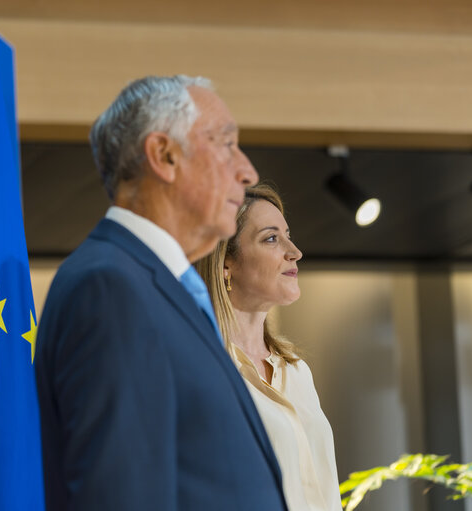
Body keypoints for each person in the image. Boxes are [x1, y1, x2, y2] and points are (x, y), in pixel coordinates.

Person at [35, 75, 289, 510]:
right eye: (226, 144)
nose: (247, 171)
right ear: (164, 156)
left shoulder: (158, 289)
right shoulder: (111, 290)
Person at [195, 182, 343, 511]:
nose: (294, 251)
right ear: (225, 264)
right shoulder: (202, 370)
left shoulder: (298, 373)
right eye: (271, 238)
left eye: (288, 235)